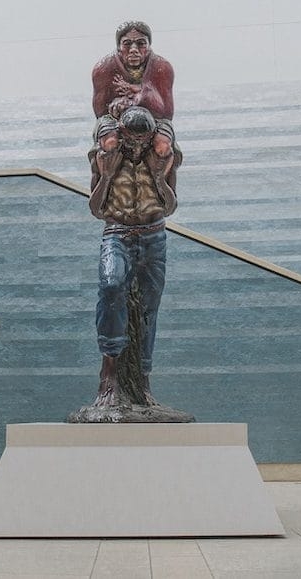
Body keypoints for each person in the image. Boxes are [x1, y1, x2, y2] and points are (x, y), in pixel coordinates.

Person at [85, 21, 182, 410]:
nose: (135, 50)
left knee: (149, 306)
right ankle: (108, 374)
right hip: (118, 229)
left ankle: (141, 380)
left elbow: (166, 111)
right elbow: (96, 208)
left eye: (141, 43)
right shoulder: (111, 149)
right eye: (128, 44)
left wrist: (160, 173)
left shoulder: (162, 149)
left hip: (153, 231)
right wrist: (106, 173)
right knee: (111, 287)